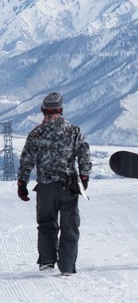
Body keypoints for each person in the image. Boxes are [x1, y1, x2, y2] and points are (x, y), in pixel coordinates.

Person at [17, 92, 92, 276]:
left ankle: (47, 260)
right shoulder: (73, 131)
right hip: (68, 186)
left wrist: (22, 183)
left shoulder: (36, 133)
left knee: (46, 223)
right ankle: (66, 267)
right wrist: (84, 176)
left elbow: (27, 159)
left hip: (45, 187)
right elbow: (84, 153)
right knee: (70, 226)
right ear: (61, 110)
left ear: (43, 111)